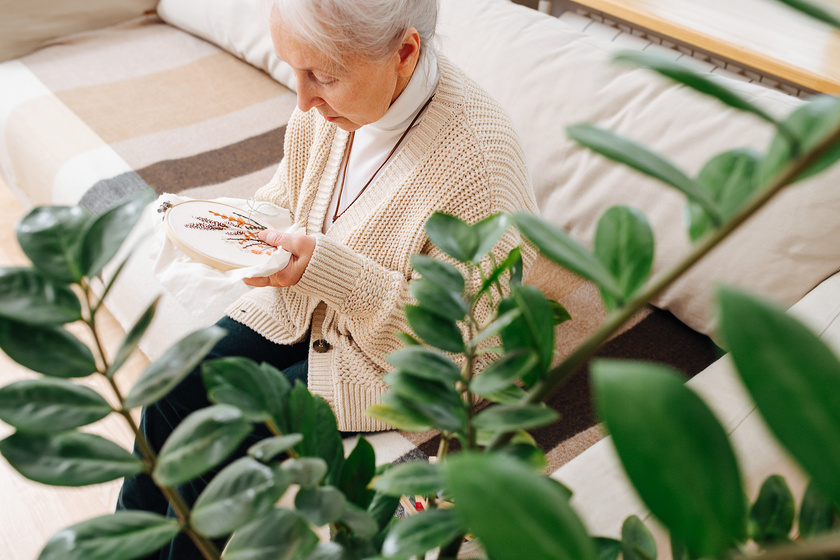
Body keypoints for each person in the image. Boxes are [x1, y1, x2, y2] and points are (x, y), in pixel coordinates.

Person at [118, 0, 539, 558]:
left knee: (223, 431)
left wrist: (326, 268)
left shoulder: (476, 165)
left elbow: (462, 348)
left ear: (405, 52)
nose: (302, 100)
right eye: (294, 70)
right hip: (305, 307)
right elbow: (288, 200)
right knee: (173, 388)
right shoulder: (327, 112)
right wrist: (225, 225)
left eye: (322, 76)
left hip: (389, 359)